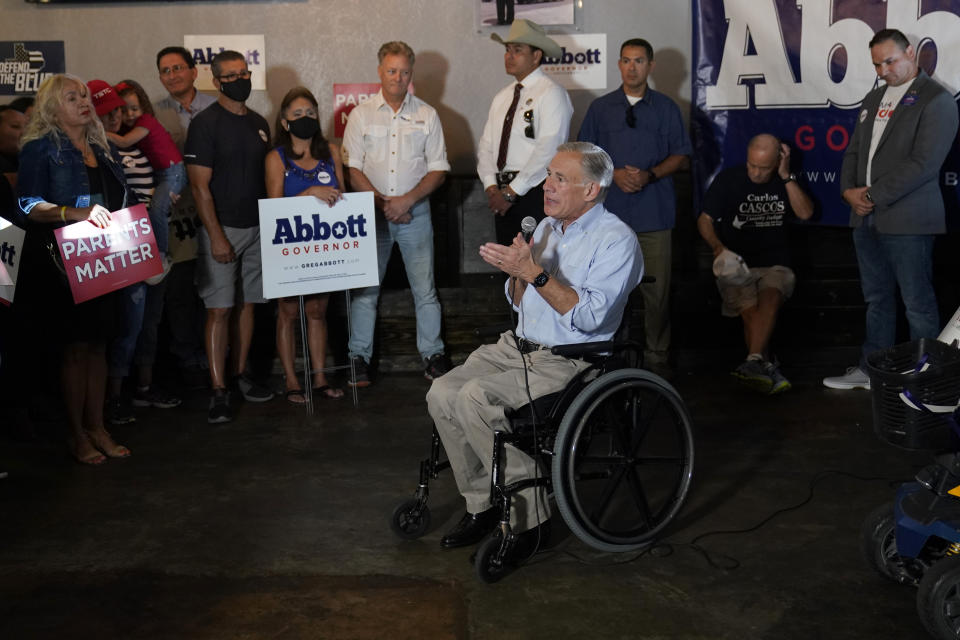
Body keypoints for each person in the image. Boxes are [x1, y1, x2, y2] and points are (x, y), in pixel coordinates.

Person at [426, 142, 644, 561]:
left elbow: (590, 318)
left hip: (571, 358)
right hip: (516, 347)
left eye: (560, 179)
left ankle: (532, 519)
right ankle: (483, 505)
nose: (547, 185)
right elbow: (518, 301)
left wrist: (533, 272)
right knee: (441, 392)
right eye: (548, 175)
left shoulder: (616, 240)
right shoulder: (544, 227)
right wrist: (517, 271)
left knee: (475, 398)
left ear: (592, 190)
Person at [824, 29, 959, 390]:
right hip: (865, 217)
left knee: (917, 303)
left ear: (911, 53)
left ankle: (925, 378)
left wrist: (871, 196)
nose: (883, 70)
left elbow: (924, 164)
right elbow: (853, 152)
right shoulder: (872, 99)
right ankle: (873, 371)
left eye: (890, 61)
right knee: (877, 299)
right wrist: (847, 193)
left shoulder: (937, 99)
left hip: (908, 218)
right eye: (877, 64)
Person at [17, 74, 132, 464]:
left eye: (84, 96)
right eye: (72, 97)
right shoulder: (40, 148)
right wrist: (72, 212)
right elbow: (27, 205)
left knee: (100, 343)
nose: (84, 102)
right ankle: (76, 433)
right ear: (52, 108)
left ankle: (98, 426)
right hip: (62, 261)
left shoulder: (102, 146)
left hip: (106, 257)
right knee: (75, 348)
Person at [577, 38, 691, 379]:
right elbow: (585, 156)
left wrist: (649, 174)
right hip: (609, 218)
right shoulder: (601, 108)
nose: (631, 67)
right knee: (606, 291)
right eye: (626, 60)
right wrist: (614, 176)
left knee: (657, 294)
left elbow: (680, 155)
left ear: (650, 66)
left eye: (639, 61)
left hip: (654, 214)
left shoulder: (667, 108)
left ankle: (657, 356)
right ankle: (605, 356)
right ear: (619, 65)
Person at [341, 41, 452, 385]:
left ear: (411, 74)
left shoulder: (427, 114)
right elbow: (352, 168)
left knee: (425, 289)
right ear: (379, 71)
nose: (397, 77)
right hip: (371, 216)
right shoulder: (360, 114)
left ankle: (433, 356)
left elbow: (438, 169)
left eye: (404, 71)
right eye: (391, 70)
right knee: (365, 291)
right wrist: (384, 205)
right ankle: (358, 358)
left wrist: (406, 201)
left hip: (415, 215)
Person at [184, 50, 274, 423]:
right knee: (219, 309)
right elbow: (199, 187)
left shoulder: (259, 122)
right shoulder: (205, 124)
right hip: (222, 230)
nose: (240, 80)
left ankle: (240, 376)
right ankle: (218, 390)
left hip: (259, 228)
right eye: (231, 75)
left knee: (248, 304)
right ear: (217, 81)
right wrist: (216, 236)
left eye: (244, 73)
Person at [87, 79, 181, 424]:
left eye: (117, 111)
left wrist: (167, 193)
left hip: (152, 240)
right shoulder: (96, 149)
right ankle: (112, 398)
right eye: (106, 113)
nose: (114, 117)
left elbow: (159, 180)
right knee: (129, 325)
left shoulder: (136, 142)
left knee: (150, 323)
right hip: (123, 243)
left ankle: (144, 388)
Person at [696, 134, 814, 394]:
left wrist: (785, 176)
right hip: (735, 262)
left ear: (778, 161)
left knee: (771, 295)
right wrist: (718, 248)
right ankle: (766, 364)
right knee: (750, 310)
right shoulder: (729, 179)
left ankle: (753, 362)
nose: (757, 173)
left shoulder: (785, 180)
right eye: (752, 165)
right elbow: (704, 220)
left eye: (764, 168)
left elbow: (805, 213)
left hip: (776, 262)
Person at [265, 87, 345, 403]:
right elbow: (273, 204)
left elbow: (345, 197)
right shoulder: (276, 158)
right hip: (289, 247)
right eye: (297, 114)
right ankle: (291, 380)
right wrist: (309, 193)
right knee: (287, 312)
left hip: (325, 248)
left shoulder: (332, 153)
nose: (305, 119)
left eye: (310, 113)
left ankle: (321, 378)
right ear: (284, 122)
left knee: (317, 310)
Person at [154, 45, 217, 391]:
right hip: (177, 216)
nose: (173, 75)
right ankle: (187, 360)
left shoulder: (218, 107)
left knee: (216, 286)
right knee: (179, 289)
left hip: (216, 208)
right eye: (165, 70)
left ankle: (217, 355)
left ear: (195, 72)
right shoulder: (154, 114)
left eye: (179, 67)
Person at [477, 19, 573, 245]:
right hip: (501, 194)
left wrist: (511, 192)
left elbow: (548, 150)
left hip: (535, 192)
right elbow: (486, 146)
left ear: (537, 55)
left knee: (534, 263)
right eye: (507, 50)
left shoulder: (551, 94)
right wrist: (492, 187)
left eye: (517, 50)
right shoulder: (502, 97)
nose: (509, 56)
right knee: (507, 264)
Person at [108, 78, 186, 262]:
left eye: (134, 108)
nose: (130, 115)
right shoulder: (133, 126)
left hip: (172, 172)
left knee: (157, 209)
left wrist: (97, 131)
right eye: (124, 110)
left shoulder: (146, 121)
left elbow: (125, 141)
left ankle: (160, 253)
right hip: (163, 175)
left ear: (143, 106)